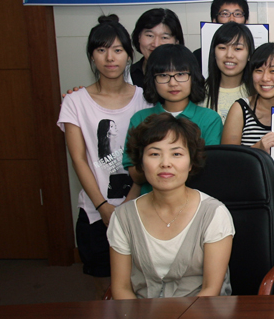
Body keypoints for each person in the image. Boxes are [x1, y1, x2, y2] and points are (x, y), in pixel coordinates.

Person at [57, 16, 151, 297]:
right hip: (94, 211)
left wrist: (130, 200)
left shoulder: (145, 99)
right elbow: (78, 159)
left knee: (142, 284)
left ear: (129, 56)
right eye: (101, 50)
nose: (110, 58)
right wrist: (102, 206)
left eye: (118, 50)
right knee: (105, 287)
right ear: (91, 56)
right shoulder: (74, 101)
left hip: (140, 205)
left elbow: (147, 156)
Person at [108, 113, 234, 298]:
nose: (165, 163)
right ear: (141, 163)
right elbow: (121, 289)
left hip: (201, 310)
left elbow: (210, 290)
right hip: (140, 311)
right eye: (154, 154)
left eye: (176, 154)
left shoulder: (214, 213)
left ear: (191, 163)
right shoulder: (123, 217)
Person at [122, 44, 222, 196]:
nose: (173, 83)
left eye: (181, 74)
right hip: (150, 202)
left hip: (195, 202)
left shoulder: (209, 119)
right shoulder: (140, 119)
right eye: (163, 75)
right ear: (152, 79)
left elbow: (207, 170)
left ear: (193, 77)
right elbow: (135, 175)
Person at [221, 43, 274, 151]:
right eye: (259, 71)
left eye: (273, 71)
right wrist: (258, 149)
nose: (265, 78)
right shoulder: (240, 109)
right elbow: (227, 157)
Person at [204, 22, 254, 123]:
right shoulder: (200, 92)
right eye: (222, 48)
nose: (229, 55)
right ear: (214, 53)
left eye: (237, 49)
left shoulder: (256, 93)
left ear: (249, 55)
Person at [193, 0, 250, 68]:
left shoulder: (256, 55)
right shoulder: (198, 56)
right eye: (225, 14)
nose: (232, 19)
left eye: (237, 14)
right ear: (214, 20)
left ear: (246, 21)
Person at [130, 8, 185, 87]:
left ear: (176, 42)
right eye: (150, 35)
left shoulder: (187, 74)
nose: (156, 44)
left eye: (164, 37)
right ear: (138, 37)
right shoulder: (127, 75)